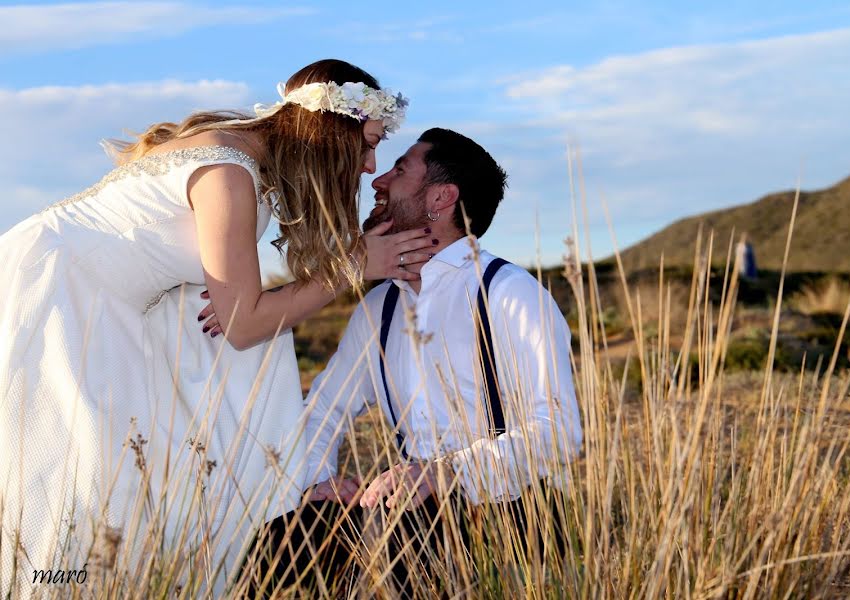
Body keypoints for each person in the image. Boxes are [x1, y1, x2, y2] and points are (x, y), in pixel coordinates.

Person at [0, 59, 433, 595]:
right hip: (63, 295)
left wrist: (243, 302)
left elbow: (228, 304)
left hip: (94, 296)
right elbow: (244, 324)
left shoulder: (238, 155)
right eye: (368, 143)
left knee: (115, 481)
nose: (369, 166)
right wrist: (353, 266)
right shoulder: (230, 174)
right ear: (330, 131)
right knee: (81, 480)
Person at [242, 128, 583, 597]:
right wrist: (318, 479)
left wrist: (445, 473)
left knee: (400, 538)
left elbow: (559, 430)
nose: (378, 181)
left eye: (400, 170)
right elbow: (325, 408)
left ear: (440, 198)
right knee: (285, 540)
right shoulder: (378, 306)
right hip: (412, 510)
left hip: (514, 511)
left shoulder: (508, 292)